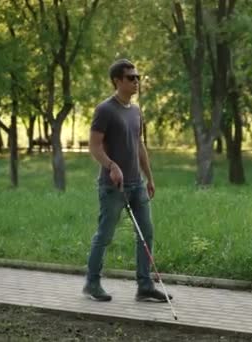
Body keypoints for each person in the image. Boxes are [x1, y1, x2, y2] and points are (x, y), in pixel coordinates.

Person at [83, 59, 172, 302]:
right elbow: (94, 146)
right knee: (105, 235)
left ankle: (145, 286)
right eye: (131, 78)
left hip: (137, 184)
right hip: (113, 186)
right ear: (117, 81)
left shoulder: (135, 111)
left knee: (146, 232)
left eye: (138, 77)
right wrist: (111, 166)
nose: (136, 82)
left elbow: (139, 145)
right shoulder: (105, 110)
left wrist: (149, 178)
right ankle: (92, 283)